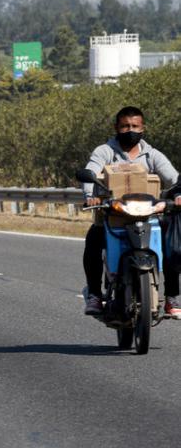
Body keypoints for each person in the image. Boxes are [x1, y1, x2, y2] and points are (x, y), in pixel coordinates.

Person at [80, 106, 181, 318]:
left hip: (148, 215)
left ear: (143, 128)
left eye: (135, 126)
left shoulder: (152, 155)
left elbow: (174, 178)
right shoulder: (104, 151)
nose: (130, 130)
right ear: (117, 127)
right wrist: (91, 194)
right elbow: (91, 170)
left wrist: (178, 193)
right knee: (93, 239)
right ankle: (95, 296)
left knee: (171, 242)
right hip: (113, 214)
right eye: (125, 126)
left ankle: (171, 298)